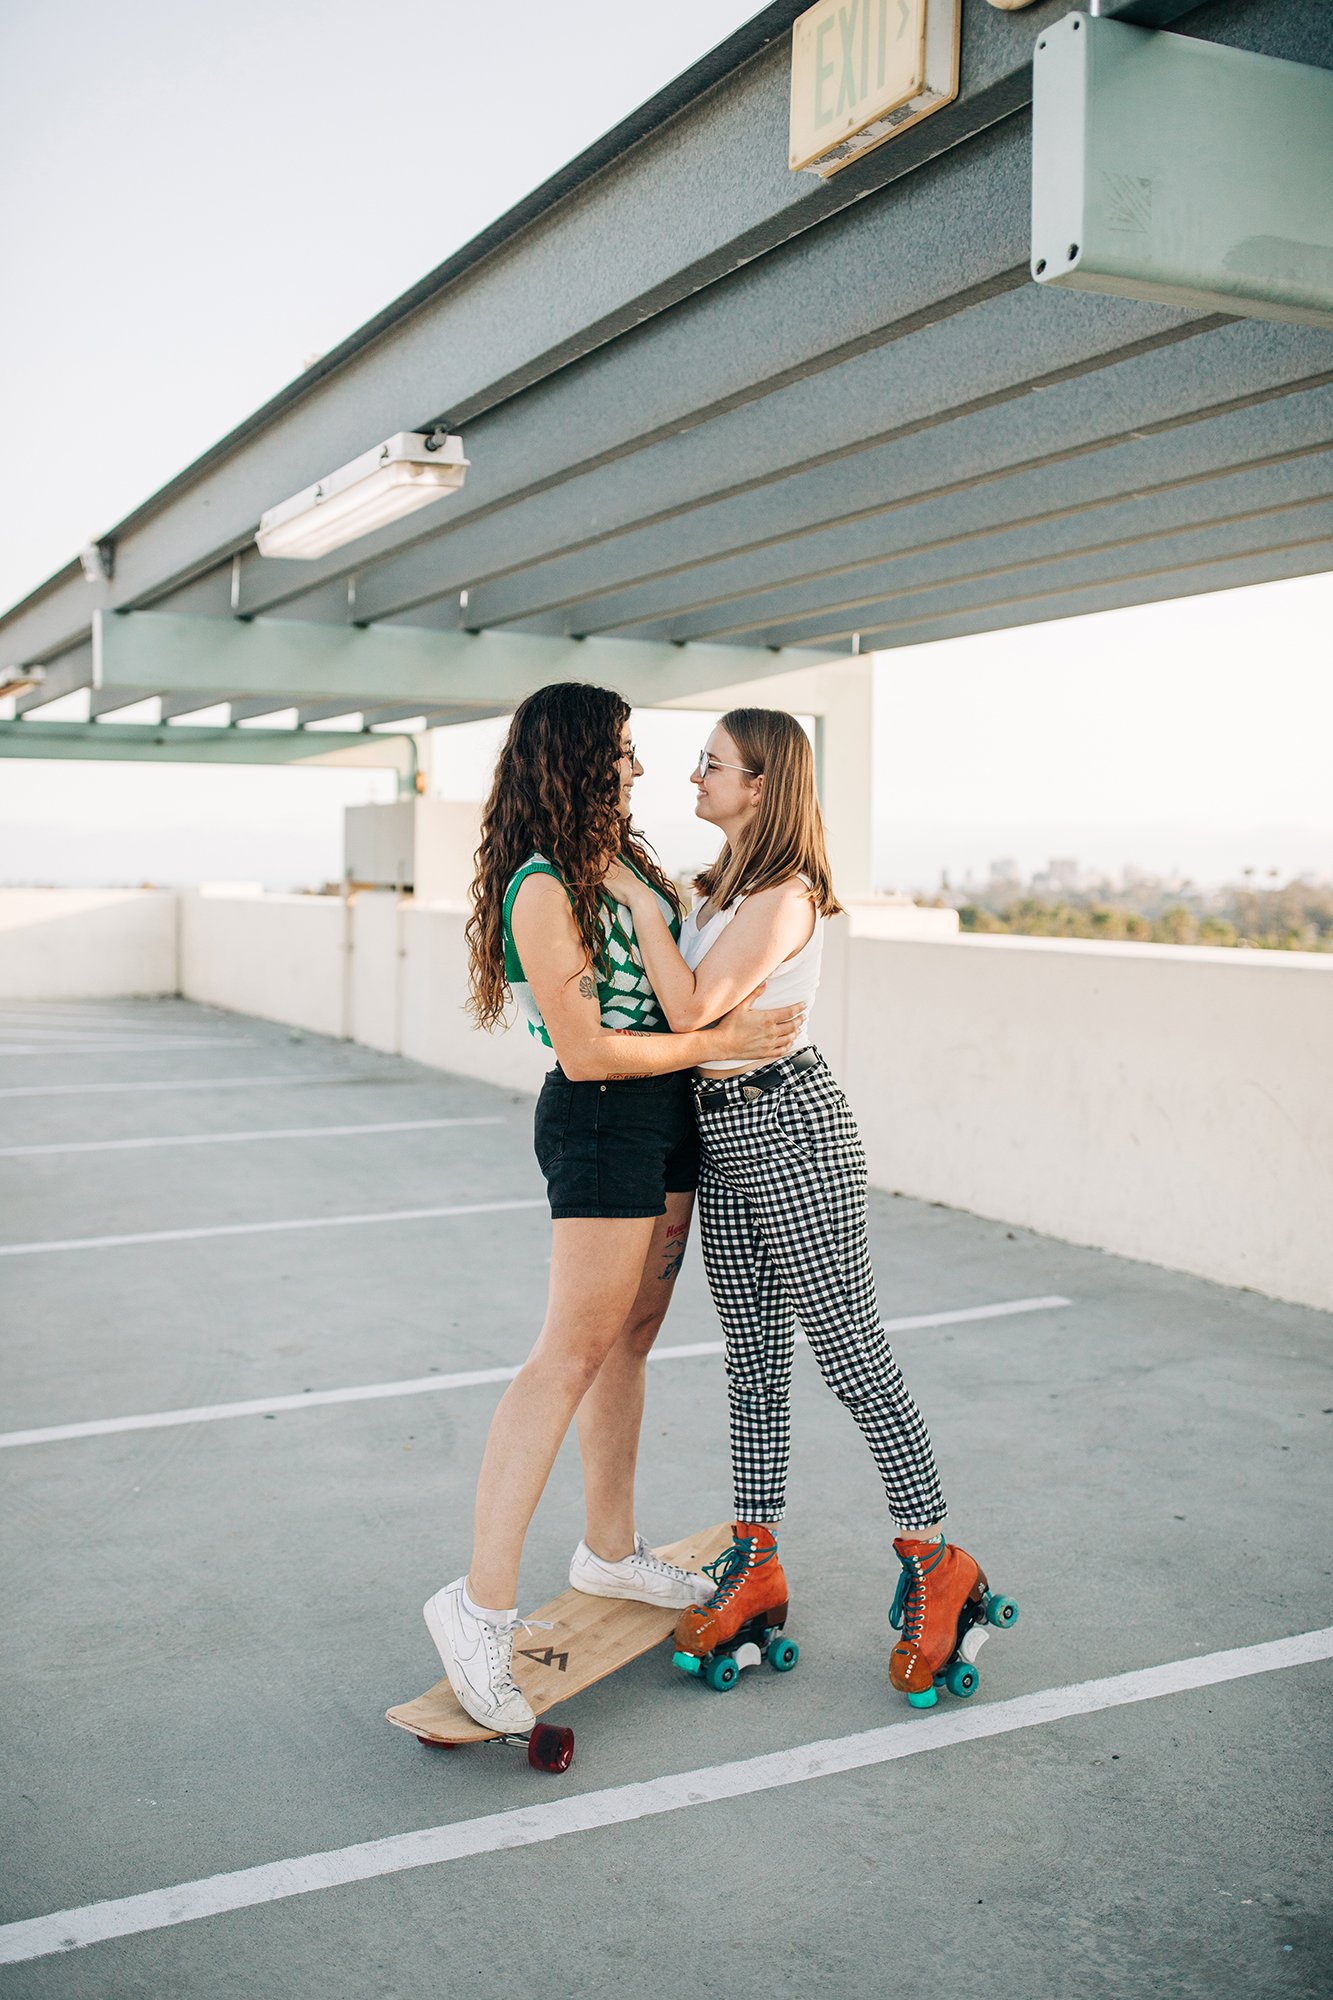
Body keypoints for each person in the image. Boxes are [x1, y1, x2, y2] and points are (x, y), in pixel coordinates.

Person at [423, 683, 806, 1732]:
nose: (638, 769)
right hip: (601, 1120)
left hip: (666, 1115)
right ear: (576, 757)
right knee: (569, 1351)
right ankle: (476, 1605)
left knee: (631, 1338)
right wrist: (711, 1046)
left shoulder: (629, 864)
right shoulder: (543, 886)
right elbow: (588, 1048)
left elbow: (689, 964)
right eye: (624, 752)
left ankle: (608, 1549)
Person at [605, 708, 992, 1708]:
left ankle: (935, 1556)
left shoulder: (783, 896)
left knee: (851, 1356)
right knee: (754, 1363)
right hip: (721, 1135)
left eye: (712, 764)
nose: (694, 776)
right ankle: (757, 1554)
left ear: (763, 785)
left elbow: (690, 1007)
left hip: (790, 1129)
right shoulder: (714, 888)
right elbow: (692, 1009)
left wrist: (642, 915)